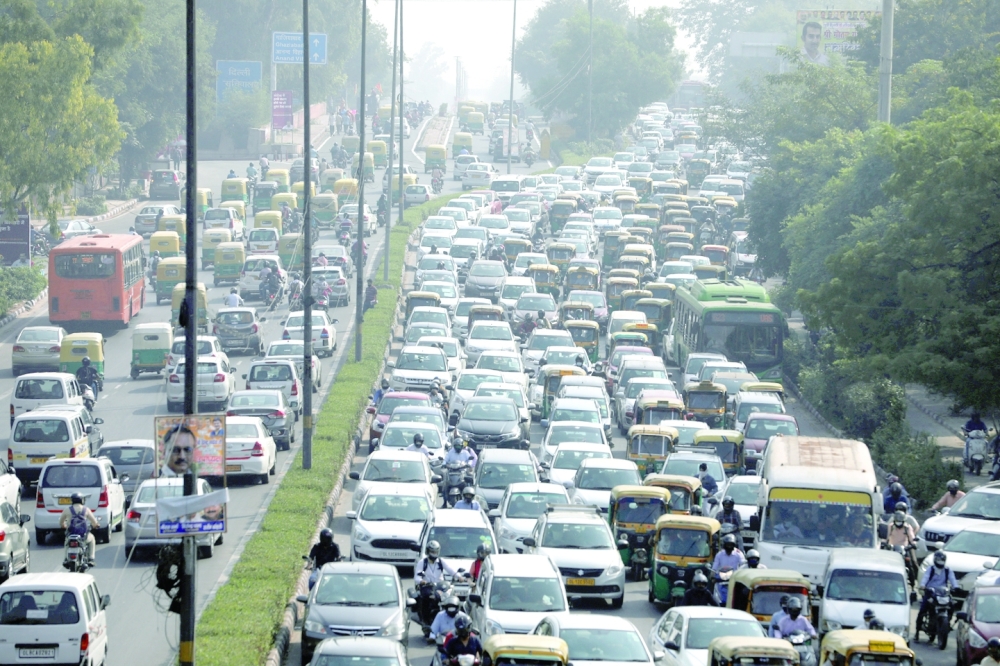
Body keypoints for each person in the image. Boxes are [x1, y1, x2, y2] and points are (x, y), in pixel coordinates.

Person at [915, 551, 958, 641]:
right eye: (939, 560)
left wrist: (956, 587)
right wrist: (923, 585)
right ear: (935, 560)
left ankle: (948, 621)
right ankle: (917, 631)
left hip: (943, 593)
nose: (940, 562)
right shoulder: (931, 569)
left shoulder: (947, 570)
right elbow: (925, 578)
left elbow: (953, 579)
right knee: (923, 609)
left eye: (942, 560)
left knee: (952, 605)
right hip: (931, 592)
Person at [60, 492, 99, 566]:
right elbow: (94, 522)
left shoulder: (67, 510)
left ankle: (65, 559)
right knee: (92, 538)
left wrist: (64, 525)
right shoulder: (86, 510)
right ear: (82, 500)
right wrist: (96, 525)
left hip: (71, 535)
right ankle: (91, 558)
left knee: (66, 542)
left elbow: (61, 522)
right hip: (83, 537)